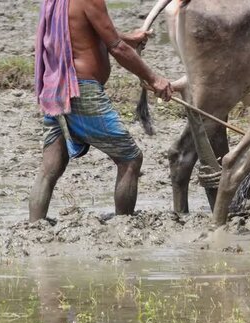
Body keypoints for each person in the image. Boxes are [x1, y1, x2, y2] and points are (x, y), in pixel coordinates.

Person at [29, 0, 172, 222]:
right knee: (130, 159)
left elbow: (82, 30)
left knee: (50, 168)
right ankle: (124, 226)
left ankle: (33, 228)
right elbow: (117, 48)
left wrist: (128, 37)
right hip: (81, 91)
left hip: (57, 87)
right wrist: (154, 79)